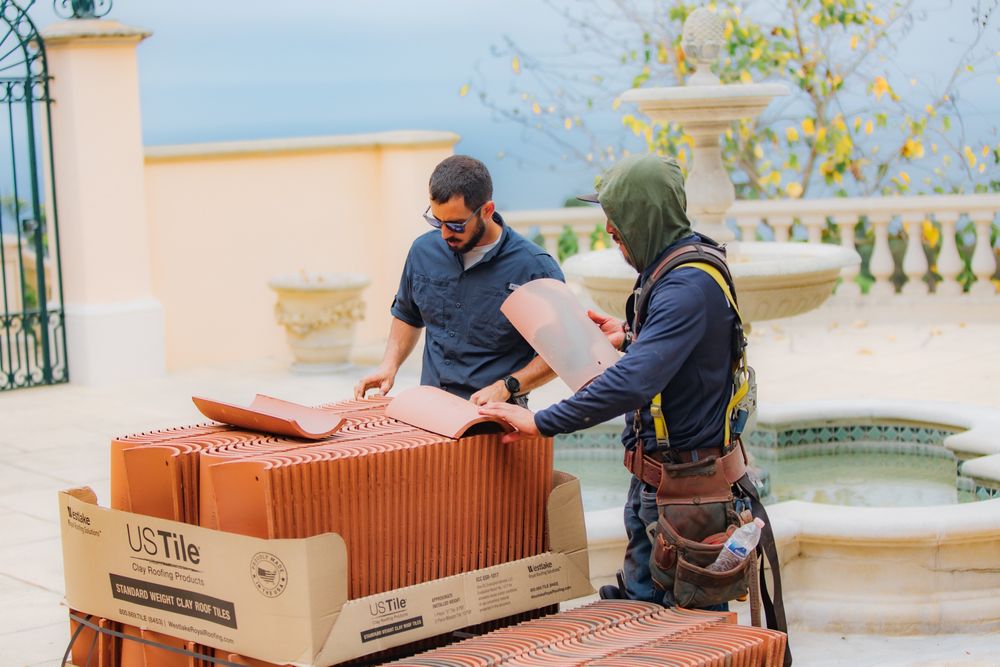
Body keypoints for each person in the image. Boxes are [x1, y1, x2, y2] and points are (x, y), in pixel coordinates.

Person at [479, 153, 741, 605]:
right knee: (646, 614)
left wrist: (540, 422)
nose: (608, 229)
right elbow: (681, 355)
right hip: (662, 485)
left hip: (686, 497)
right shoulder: (676, 267)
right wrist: (631, 336)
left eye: (615, 217)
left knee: (673, 631)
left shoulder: (685, 289)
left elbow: (632, 384)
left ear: (641, 218)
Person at [355, 155, 563, 405]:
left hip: (495, 416)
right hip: (430, 408)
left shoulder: (535, 268)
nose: (443, 234)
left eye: (455, 225)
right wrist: (389, 366)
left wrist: (508, 386)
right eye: (437, 221)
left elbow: (562, 352)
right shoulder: (422, 251)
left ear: (487, 210)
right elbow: (408, 315)